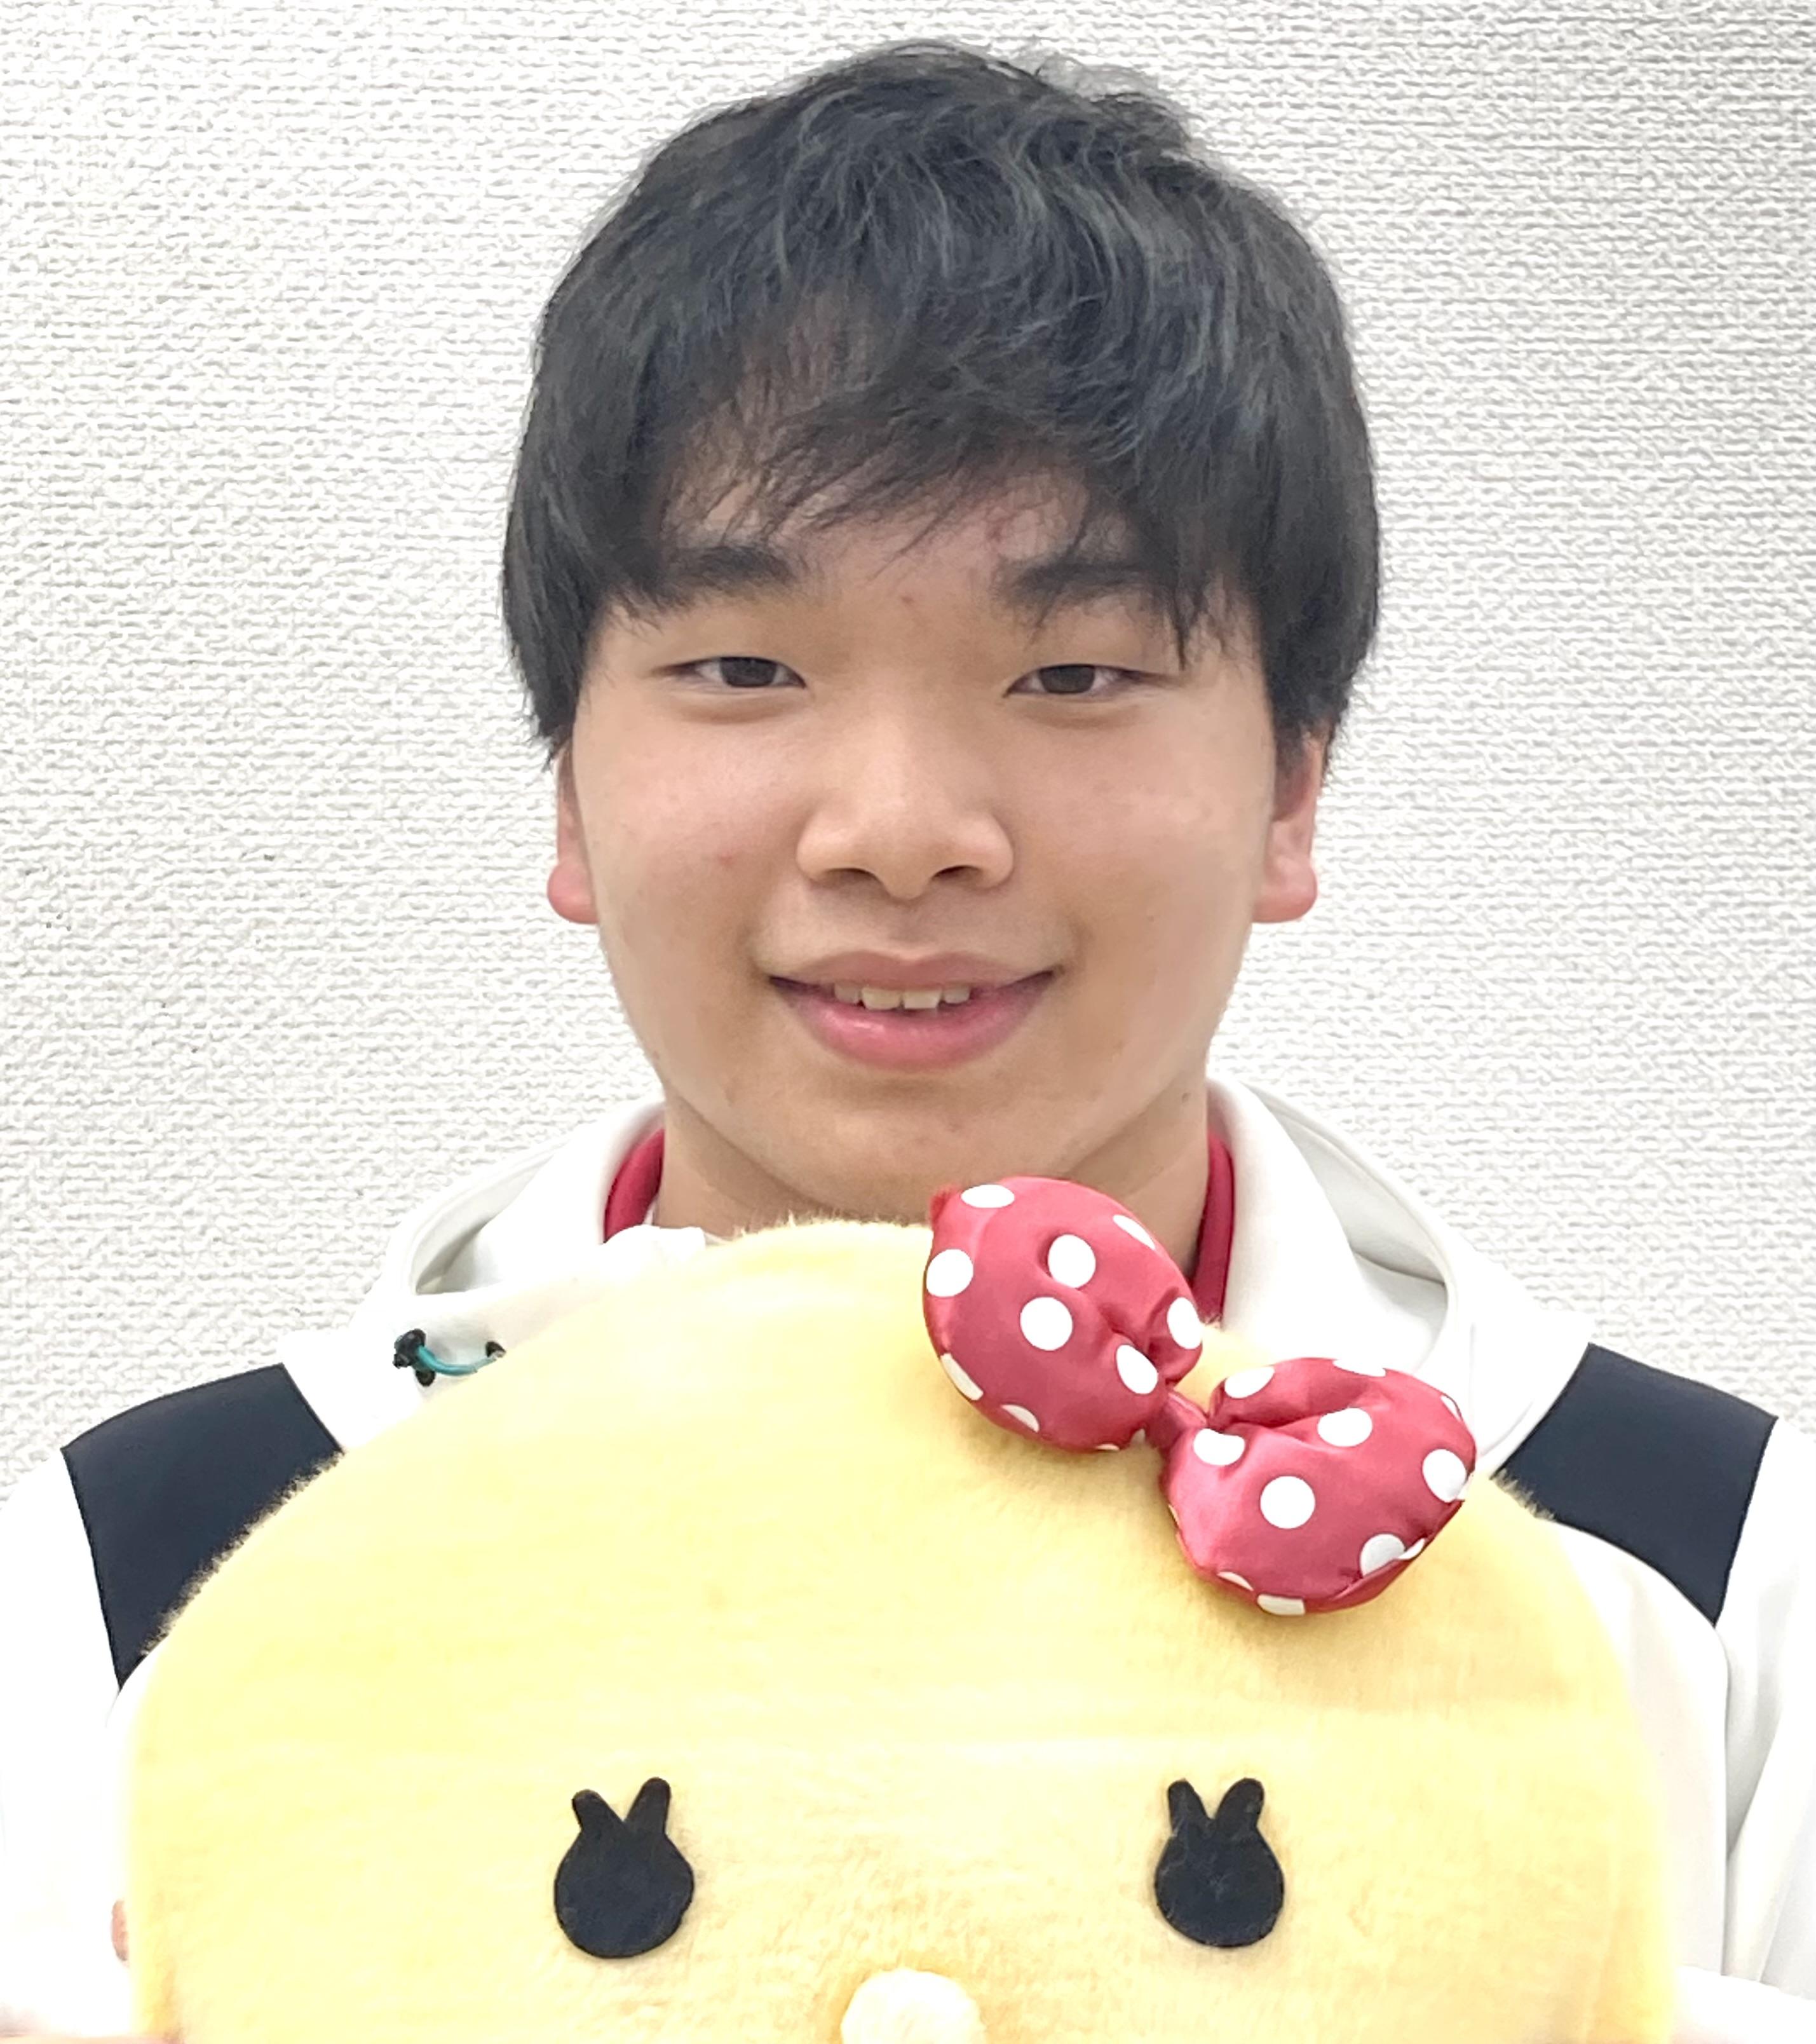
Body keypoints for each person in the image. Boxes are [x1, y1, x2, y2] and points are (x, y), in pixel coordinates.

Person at [1, 37, 1808, 2043]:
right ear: (568, 792)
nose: (899, 831)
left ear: (1291, 787)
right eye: (742, 665)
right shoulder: (151, 1577)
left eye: (1075, 672)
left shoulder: (1695, 1569)